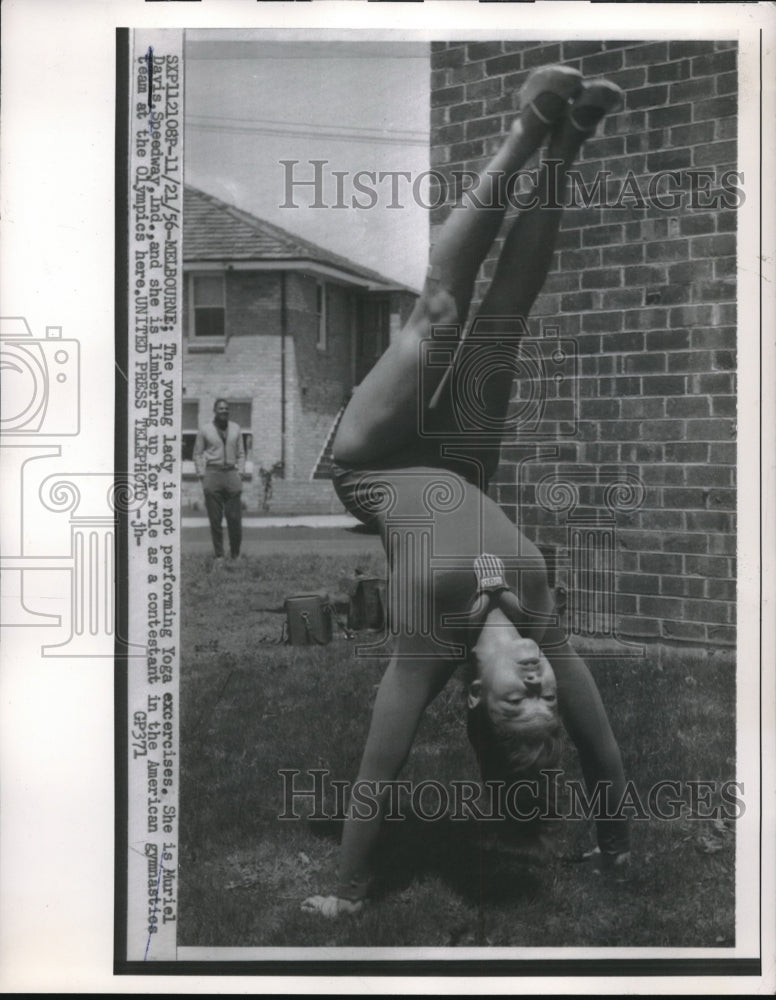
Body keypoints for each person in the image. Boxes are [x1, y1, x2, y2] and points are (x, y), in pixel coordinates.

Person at [302, 66, 630, 918]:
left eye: (520, 696)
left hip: (372, 461)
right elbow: (598, 745)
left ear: (477, 698)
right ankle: (567, 143)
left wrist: (345, 894)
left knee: (440, 312)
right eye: (544, 692)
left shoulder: (425, 646)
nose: (537, 677)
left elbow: (381, 770)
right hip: (461, 465)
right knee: (507, 316)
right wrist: (615, 838)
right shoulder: (537, 615)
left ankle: (524, 126)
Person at [193, 398, 246, 565]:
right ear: (215, 411)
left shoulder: (236, 428)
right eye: (221, 408)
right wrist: (202, 475)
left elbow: (241, 454)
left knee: (234, 519)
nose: (224, 411)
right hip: (213, 473)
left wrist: (240, 473)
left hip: (231, 474)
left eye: (226, 409)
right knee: (215, 520)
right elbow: (198, 454)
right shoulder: (205, 429)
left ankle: (235, 555)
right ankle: (219, 556)